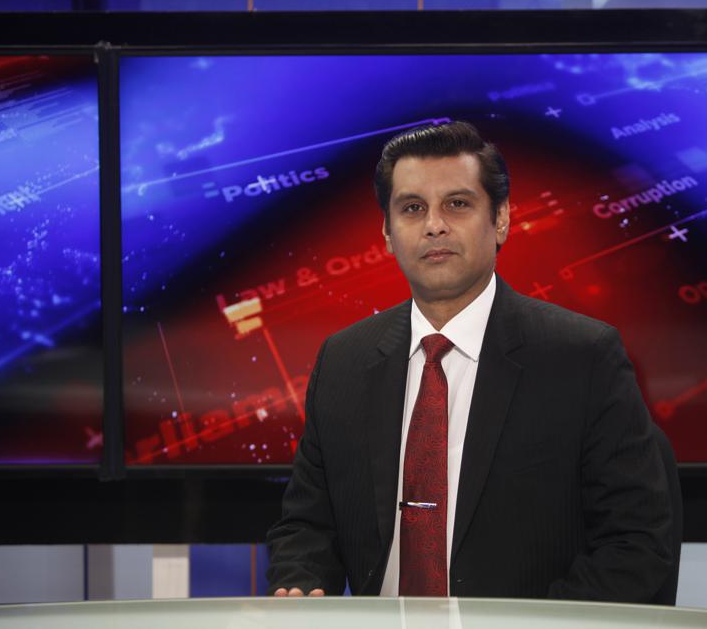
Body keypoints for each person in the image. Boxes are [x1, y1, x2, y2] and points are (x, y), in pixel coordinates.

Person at [266, 120, 672, 601]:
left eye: (457, 204)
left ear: (500, 219)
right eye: (412, 208)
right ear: (388, 233)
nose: (434, 224)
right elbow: (308, 524)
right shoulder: (344, 360)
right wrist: (302, 582)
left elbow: (636, 542)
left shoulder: (582, 356)